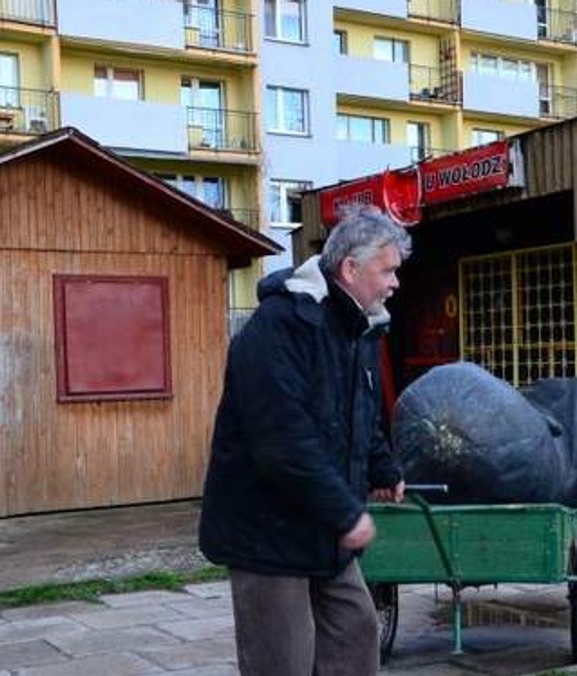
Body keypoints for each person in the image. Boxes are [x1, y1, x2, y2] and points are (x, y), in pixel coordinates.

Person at [199, 205, 410, 676]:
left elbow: (361, 411)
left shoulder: (362, 328)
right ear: (350, 268)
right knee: (283, 661)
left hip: (324, 530)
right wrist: (345, 512)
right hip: (267, 532)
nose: (395, 283)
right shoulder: (281, 327)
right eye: (388, 270)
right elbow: (281, 441)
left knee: (357, 637)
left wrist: (383, 467)